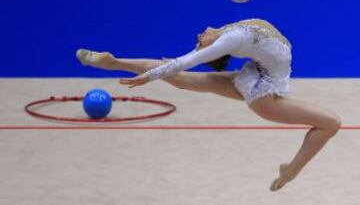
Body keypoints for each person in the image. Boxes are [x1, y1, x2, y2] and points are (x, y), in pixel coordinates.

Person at [76, 18, 341, 191]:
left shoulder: (227, 32)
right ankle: (292, 170)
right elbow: (183, 61)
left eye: (198, 41)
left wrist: (162, 70)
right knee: (332, 123)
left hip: (255, 76)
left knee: (178, 76)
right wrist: (150, 76)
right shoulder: (229, 40)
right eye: (199, 41)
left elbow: (183, 62)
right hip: (265, 94)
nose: (200, 34)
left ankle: (113, 62)